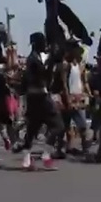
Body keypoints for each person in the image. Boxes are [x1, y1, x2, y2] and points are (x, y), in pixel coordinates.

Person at [12, 32, 65, 170]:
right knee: (58, 125)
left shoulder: (35, 59)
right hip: (40, 97)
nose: (45, 45)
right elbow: (36, 78)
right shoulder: (33, 60)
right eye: (43, 42)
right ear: (37, 44)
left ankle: (26, 160)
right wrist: (49, 65)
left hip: (35, 97)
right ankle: (46, 155)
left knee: (33, 128)